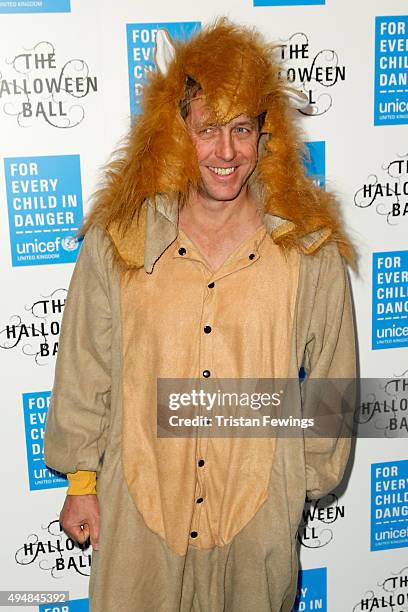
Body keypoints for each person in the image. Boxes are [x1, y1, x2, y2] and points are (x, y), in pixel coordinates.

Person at [44, 19, 357, 612]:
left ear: (266, 135)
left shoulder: (307, 249)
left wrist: (301, 481)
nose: (227, 152)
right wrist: (81, 483)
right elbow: (86, 366)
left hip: (256, 519)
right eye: (209, 128)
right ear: (178, 128)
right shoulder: (122, 240)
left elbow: (333, 379)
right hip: (140, 517)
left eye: (242, 129)